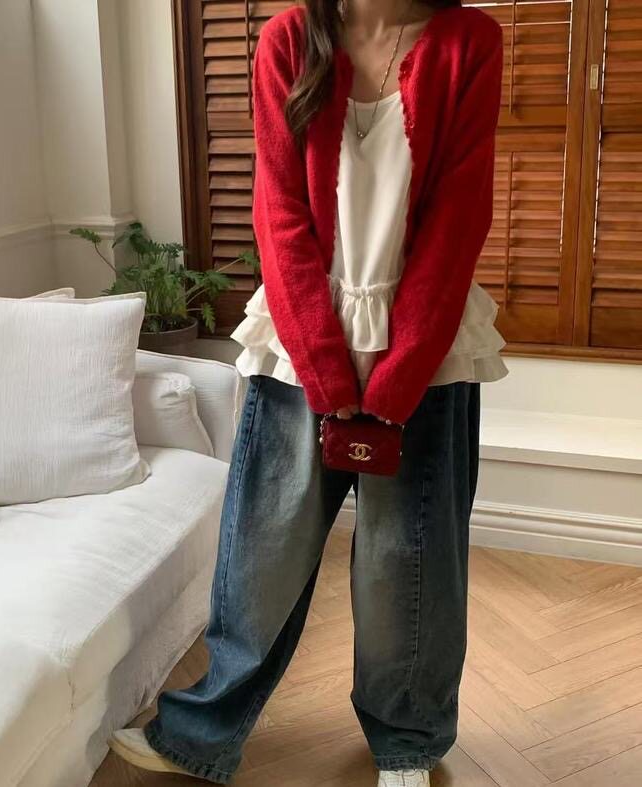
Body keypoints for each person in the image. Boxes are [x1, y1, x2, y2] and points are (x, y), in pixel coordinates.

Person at [112, 1, 507, 784]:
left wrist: (397, 375)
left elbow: (459, 217)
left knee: (411, 566)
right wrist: (327, 369)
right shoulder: (289, 39)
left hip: (427, 348)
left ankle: (407, 741)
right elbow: (278, 212)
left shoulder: (470, 42)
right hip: (300, 341)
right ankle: (202, 735)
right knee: (261, 557)